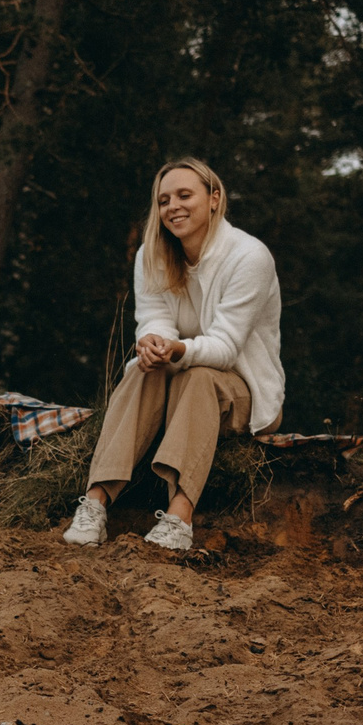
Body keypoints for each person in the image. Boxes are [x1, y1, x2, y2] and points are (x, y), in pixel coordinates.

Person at [62, 157, 283, 553]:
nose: (173, 207)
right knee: (141, 370)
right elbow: (154, 320)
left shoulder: (249, 256)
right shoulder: (153, 255)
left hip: (244, 391)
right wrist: (152, 343)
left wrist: (177, 349)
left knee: (197, 377)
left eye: (185, 195)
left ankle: (179, 517)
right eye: (164, 200)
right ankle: (94, 503)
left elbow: (226, 346)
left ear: (214, 198)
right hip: (175, 382)